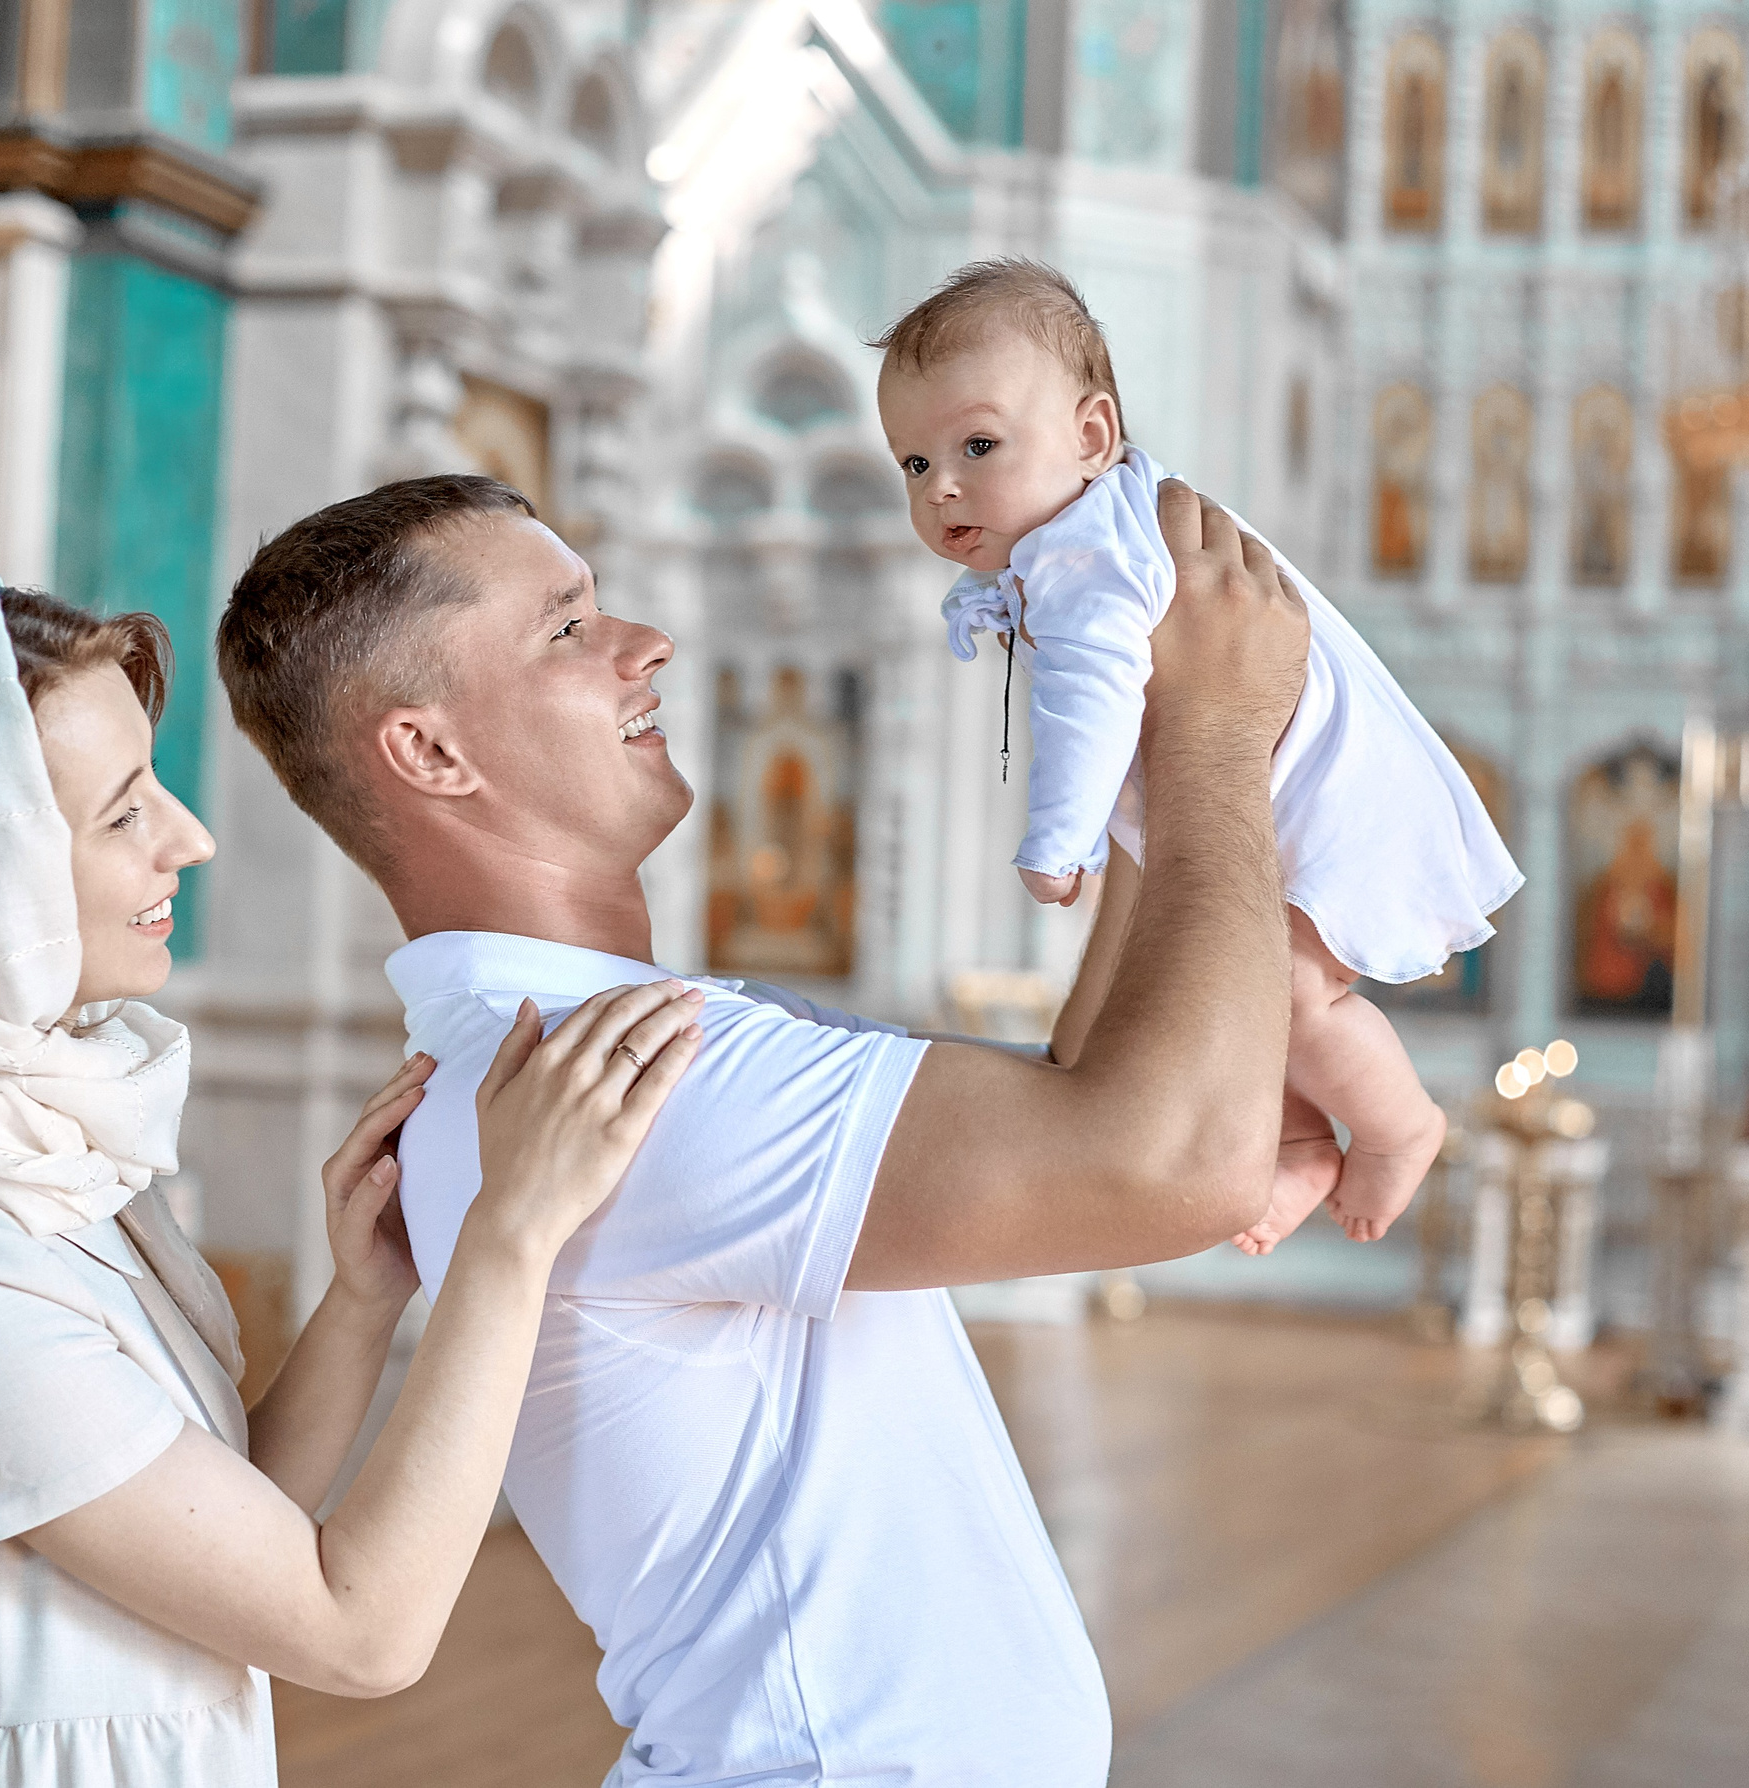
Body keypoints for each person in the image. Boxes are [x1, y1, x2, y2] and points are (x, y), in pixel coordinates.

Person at [215, 468, 1309, 1784]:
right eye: (567, 629)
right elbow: (1177, 1164)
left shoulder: (586, 1055)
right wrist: (1218, 729)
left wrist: (1138, 740)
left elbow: (1095, 1097)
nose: (644, 644)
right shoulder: (628, 1076)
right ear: (432, 752)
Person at [0, 569, 701, 1785]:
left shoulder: (9, 1147)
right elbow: (357, 1633)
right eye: (120, 814)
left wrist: (362, 1303)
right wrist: (508, 1240)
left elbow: (224, 1520)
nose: (189, 838)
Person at [872, 259, 1520, 1255]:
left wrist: (1060, 839)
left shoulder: (1084, 552)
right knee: (1246, 989)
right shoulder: (1103, 522)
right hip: (1286, 784)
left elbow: (1090, 701)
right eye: (913, 464)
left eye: (977, 444)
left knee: (1298, 995)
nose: (941, 484)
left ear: (1091, 436)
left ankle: (1401, 1127)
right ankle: (1300, 1144)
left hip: (1329, 797)